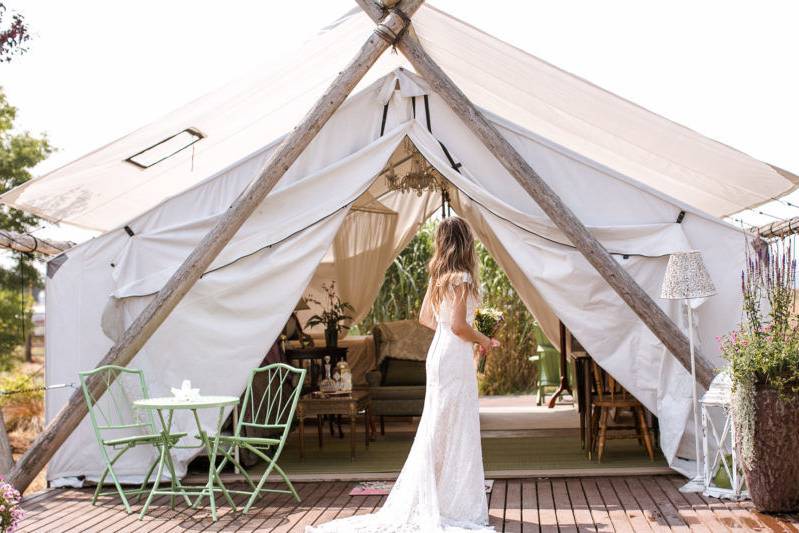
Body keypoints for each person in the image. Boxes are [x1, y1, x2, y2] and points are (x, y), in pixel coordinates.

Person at [308, 217, 499, 532]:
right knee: (455, 424)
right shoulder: (462, 277)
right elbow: (459, 327)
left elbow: (426, 319)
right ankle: (451, 500)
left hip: (439, 353)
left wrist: (464, 335)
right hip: (453, 355)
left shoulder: (438, 277)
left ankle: (435, 496)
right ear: (466, 243)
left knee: (438, 423)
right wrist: (484, 339)